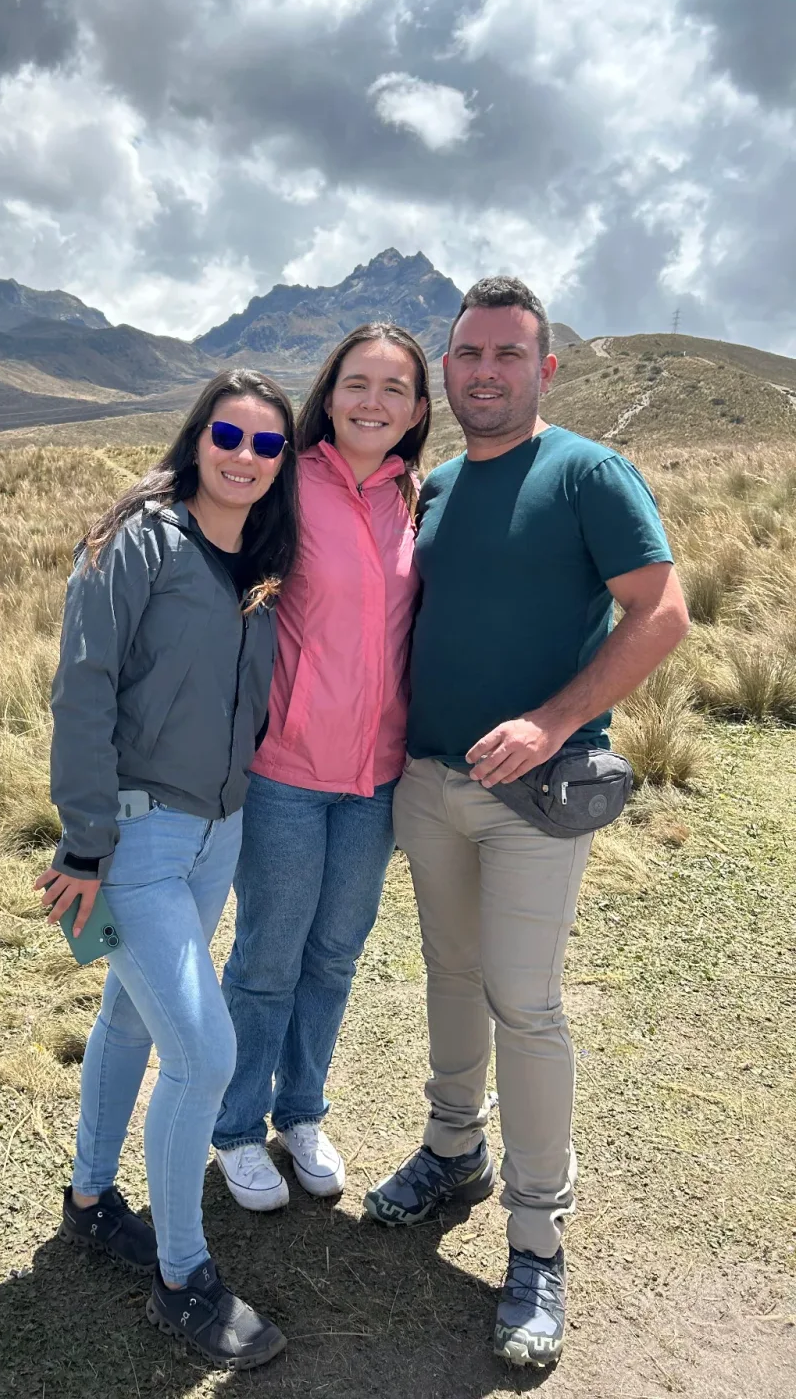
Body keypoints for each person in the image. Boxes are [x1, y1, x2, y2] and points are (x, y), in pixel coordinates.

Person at [363, 278, 690, 1369]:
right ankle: (452, 1150)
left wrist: (553, 722)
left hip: (532, 801)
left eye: (509, 354)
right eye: (469, 355)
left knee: (525, 998)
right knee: (450, 976)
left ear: (545, 369)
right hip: (428, 783)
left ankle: (538, 1236)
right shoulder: (437, 485)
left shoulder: (590, 473)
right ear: (446, 370)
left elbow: (664, 611)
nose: (486, 372)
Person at [38, 369, 299, 1372]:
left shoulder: (262, 560)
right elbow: (84, 690)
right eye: (228, 434)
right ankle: (184, 1277)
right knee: (204, 1052)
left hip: (218, 832)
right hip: (136, 839)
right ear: (198, 436)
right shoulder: (134, 541)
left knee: (132, 1018)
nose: (244, 455)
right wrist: (85, 842)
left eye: (267, 444)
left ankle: (91, 1198)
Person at [211, 323, 430, 1210]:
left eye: (395, 388)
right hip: (287, 771)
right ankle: (233, 1127)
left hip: (378, 777)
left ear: (419, 410)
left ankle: (301, 1112)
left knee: (336, 955)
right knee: (268, 956)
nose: (373, 401)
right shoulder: (285, 484)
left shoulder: (420, 495)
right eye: (357, 383)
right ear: (329, 392)